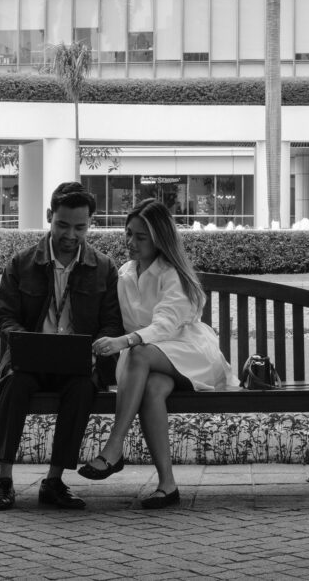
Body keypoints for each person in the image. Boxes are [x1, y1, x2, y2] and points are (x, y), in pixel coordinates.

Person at [78, 198, 237, 509]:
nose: (131, 243)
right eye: (128, 234)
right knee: (152, 389)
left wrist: (125, 341)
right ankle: (168, 485)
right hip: (149, 366)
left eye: (141, 237)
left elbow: (165, 325)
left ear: (159, 238)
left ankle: (113, 448)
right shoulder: (124, 274)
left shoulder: (172, 274)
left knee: (138, 353)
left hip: (189, 354)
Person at [0, 182, 123, 511]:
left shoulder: (103, 268)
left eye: (80, 227)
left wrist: (96, 349)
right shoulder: (21, 264)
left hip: (77, 365)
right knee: (16, 383)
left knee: (81, 388)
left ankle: (53, 481)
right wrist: (22, 341)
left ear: (90, 223)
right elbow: (3, 317)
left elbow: (111, 323)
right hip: (27, 362)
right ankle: (3, 479)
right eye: (63, 225)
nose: (71, 235)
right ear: (50, 217)